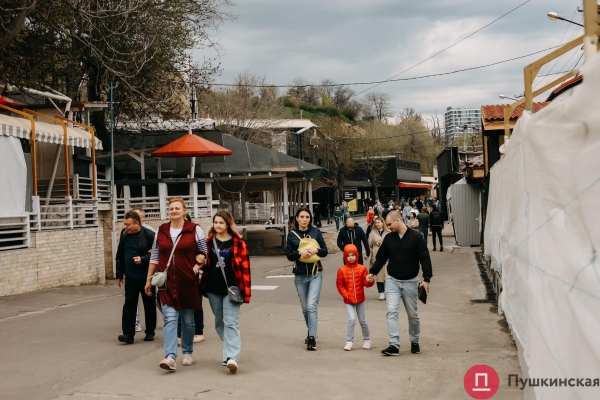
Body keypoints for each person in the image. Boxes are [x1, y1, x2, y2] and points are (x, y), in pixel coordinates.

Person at [145, 198, 207, 371]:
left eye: (177, 208)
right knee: (170, 319)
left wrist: (197, 267)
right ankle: (170, 357)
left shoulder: (194, 229)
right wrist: (148, 279)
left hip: (188, 282)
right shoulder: (161, 230)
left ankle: (187, 352)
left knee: (188, 321)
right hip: (166, 283)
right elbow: (155, 256)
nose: (173, 211)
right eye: (171, 208)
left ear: (184, 210)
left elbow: (205, 253)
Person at [369, 211, 432, 356]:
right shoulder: (389, 238)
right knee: (391, 311)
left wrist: (427, 279)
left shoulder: (416, 237)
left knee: (413, 315)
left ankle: (414, 341)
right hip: (392, 281)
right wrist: (372, 272)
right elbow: (381, 258)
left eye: (390, 224)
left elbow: (425, 258)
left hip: (410, 282)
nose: (388, 227)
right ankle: (394, 345)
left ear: (398, 220)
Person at [200, 210, 251, 373]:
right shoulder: (208, 242)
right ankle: (229, 351)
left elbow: (245, 269)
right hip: (213, 288)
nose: (218, 225)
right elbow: (202, 262)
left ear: (228, 224)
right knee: (219, 322)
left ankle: (232, 357)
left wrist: (245, 291)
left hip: (232, 289)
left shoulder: (238, 243)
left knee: (231, 322)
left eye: (221, 222)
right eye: (215, 222)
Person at [286, 207, 328, 351]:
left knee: (311, 306)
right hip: (300, 275)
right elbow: (289, 255)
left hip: (316, 273)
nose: (305, 220)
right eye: (302, 217)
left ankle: (311, 338)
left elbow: (325, 251)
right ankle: (312, 331)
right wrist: (299, 252)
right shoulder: (292, 234)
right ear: (297, 218)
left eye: (307, 217)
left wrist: (316, 250)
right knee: (305, 309)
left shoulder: (316, 232)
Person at [116, 211, 157, 344]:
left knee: (149, 304)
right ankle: (128, 334)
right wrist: (119, 274)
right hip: (130, 276)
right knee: (129, 304)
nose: (126, 227)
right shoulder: (124, 234)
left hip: (147, 277)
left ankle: (150, 331)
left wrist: (143, 259)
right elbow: (120, 254)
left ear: (137, 223)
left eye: (128, 225)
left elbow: (157, 254)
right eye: (125, 224)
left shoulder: (149, 235)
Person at [336, 244, 375, 351]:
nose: (351, 257)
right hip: (348, 300)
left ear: (357, 255)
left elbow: (366, 283)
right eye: (348, 255)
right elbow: (340, 285)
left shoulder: (362, 269)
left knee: (362, 320)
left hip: (360, 299)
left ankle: (367, 340)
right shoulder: (342, 270)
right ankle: (349, 341)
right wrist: (346, 295)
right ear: (345, 257)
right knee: (352, 319)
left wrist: (370, 281)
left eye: (353, 255)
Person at [177, 213, 205, 346]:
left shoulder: (195, 234)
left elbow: (204, 254)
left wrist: (199, 271)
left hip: (194, 276)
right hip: (178, 277)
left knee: (196, 304)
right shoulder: (174, 236)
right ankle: (178, 334)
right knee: (178, 306)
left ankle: (198, 332)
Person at [131, 207, 155, 331]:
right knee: (132, 300)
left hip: (148, 271)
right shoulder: (127, 232)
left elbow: (157, 252)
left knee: (153, 300)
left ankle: (168, 317)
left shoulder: (150, 232)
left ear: (143, 218)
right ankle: (135, 323)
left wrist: (145, 258)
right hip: (133, 272)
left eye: (136, 216)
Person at [368, 216, 390, 301]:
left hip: (387, 255)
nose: (377, 224)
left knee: (388, 275)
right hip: (376, 253)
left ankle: (388, 292)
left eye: (378, 222)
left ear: (382, 223)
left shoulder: (388, 232)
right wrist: (371, 254)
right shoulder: (372, 233)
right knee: (378, 275)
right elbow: (370, 244)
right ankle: (381, 293)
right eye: (375, 223)